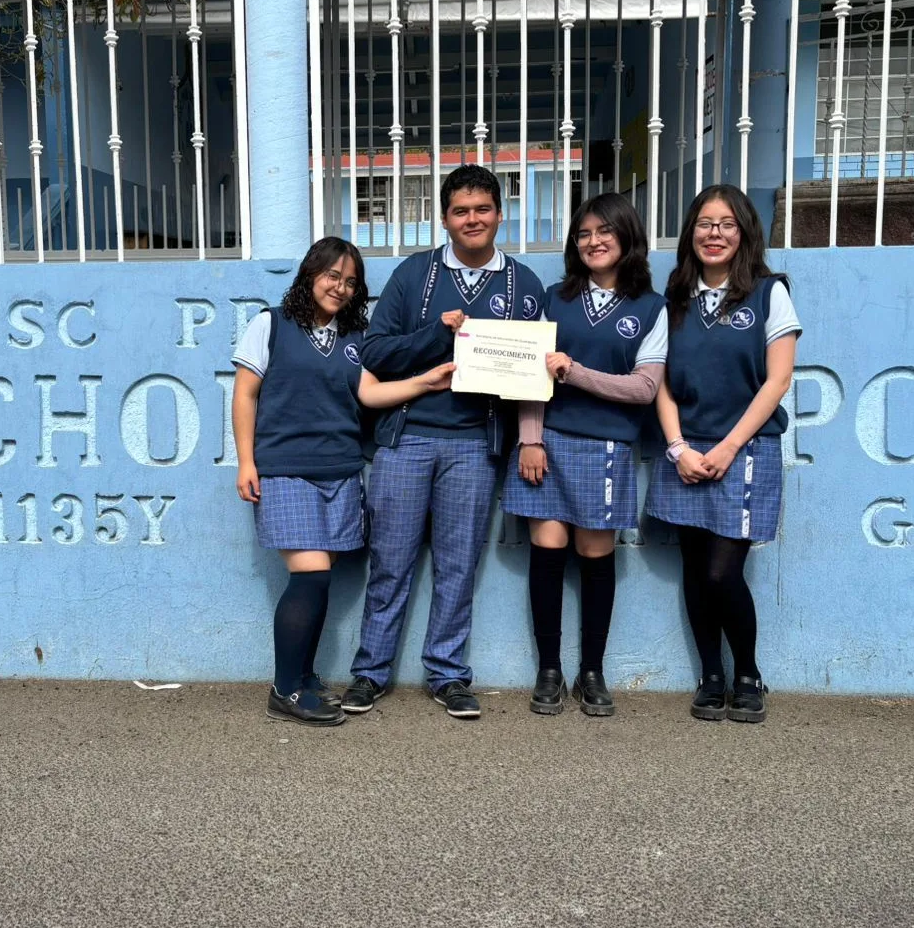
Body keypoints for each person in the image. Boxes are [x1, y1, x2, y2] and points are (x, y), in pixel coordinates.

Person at [340, 165, 547, 720]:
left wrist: (533, 405)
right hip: (406, 439)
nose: (472, 219)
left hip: (475, 446)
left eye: (482, 209)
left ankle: (448, 675)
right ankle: (370, 672)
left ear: (500, 214)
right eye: (461, 210)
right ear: (445, 217)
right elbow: (376, 353)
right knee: (391, 560)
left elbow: (531, 378)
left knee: (459, 564)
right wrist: (438, 336)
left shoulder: (523, 284)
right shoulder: (416, 276)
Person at [233, 236, 455, 726]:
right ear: (311, 273)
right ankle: (285, 689)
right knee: (310, 575)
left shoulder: (352, 340)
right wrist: (246, 462)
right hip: (286, 471)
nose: (340, 287)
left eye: (351, 282)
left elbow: (371, 394)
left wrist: (426, 382)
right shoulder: (270, 324)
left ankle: (305, 675)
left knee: (321, 580)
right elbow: (245, 394)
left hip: (340, 471)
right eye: (333, 275)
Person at [503, 193, 666, 717]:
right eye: (584, 234)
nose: (594, 242)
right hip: (546, 445)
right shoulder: (554, 299)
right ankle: (549, 670)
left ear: (627, 237)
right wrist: (530, 437)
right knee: (547, 553)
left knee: (596, 557)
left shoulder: (652, 307)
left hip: (607, 450)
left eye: (605, 232)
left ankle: (591, 671)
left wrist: (575, 373)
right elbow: (530, 375)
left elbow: (643, 389)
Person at [646, 184, 801, 725]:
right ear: (691, 233)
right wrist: (677, 447)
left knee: (720, 572)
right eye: (704, 223)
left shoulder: (768, 293)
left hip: (746, 450)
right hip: (685, 451)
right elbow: (660, 384)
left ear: (745, 233)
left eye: (727, 223)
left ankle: (748, 674)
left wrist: (731, 447)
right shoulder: (675, 300)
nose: (714, 234)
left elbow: (778, 380)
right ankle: (711, 676)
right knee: (693, 568)